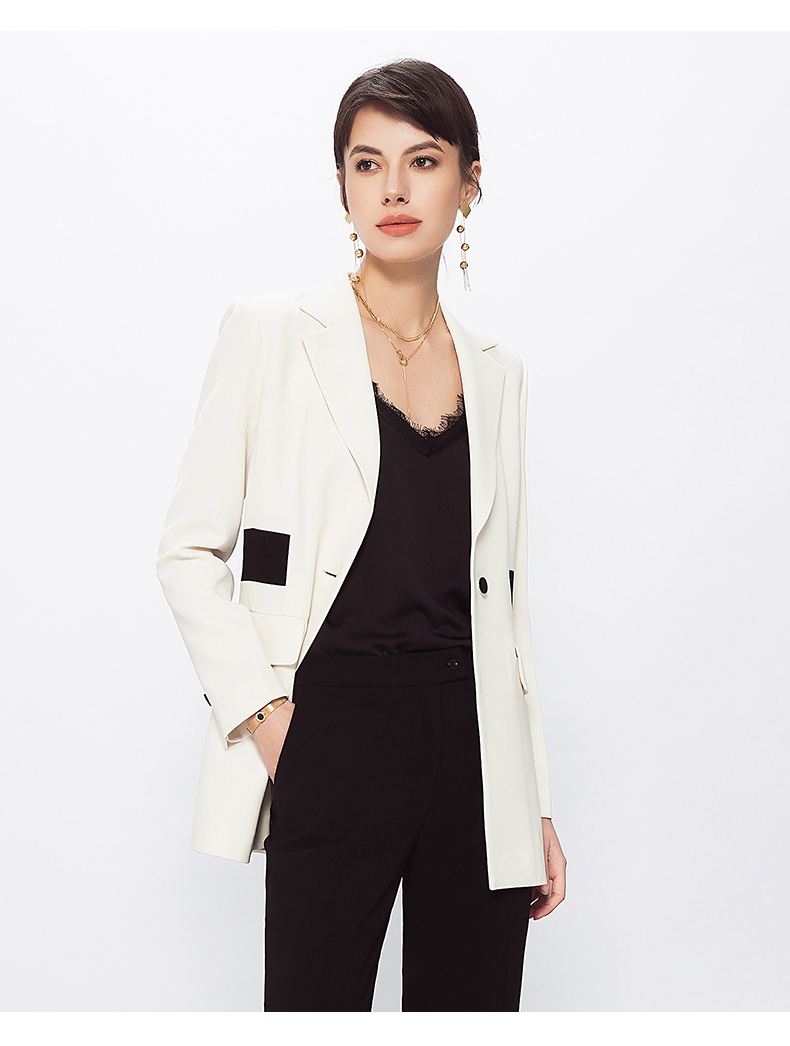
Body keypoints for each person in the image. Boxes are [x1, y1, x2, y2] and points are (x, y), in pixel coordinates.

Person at [156, 58, 566, 1013]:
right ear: (341, 184)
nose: (393, 190)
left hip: (475, 749)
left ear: (469, 183)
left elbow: (506, 612)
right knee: (314, 1011)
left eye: (422, 161)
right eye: (366, 163)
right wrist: (269, 721)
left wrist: (532, 802)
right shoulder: (271, 334)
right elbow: (187, 550)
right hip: (332, 729)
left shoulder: (500, 372)